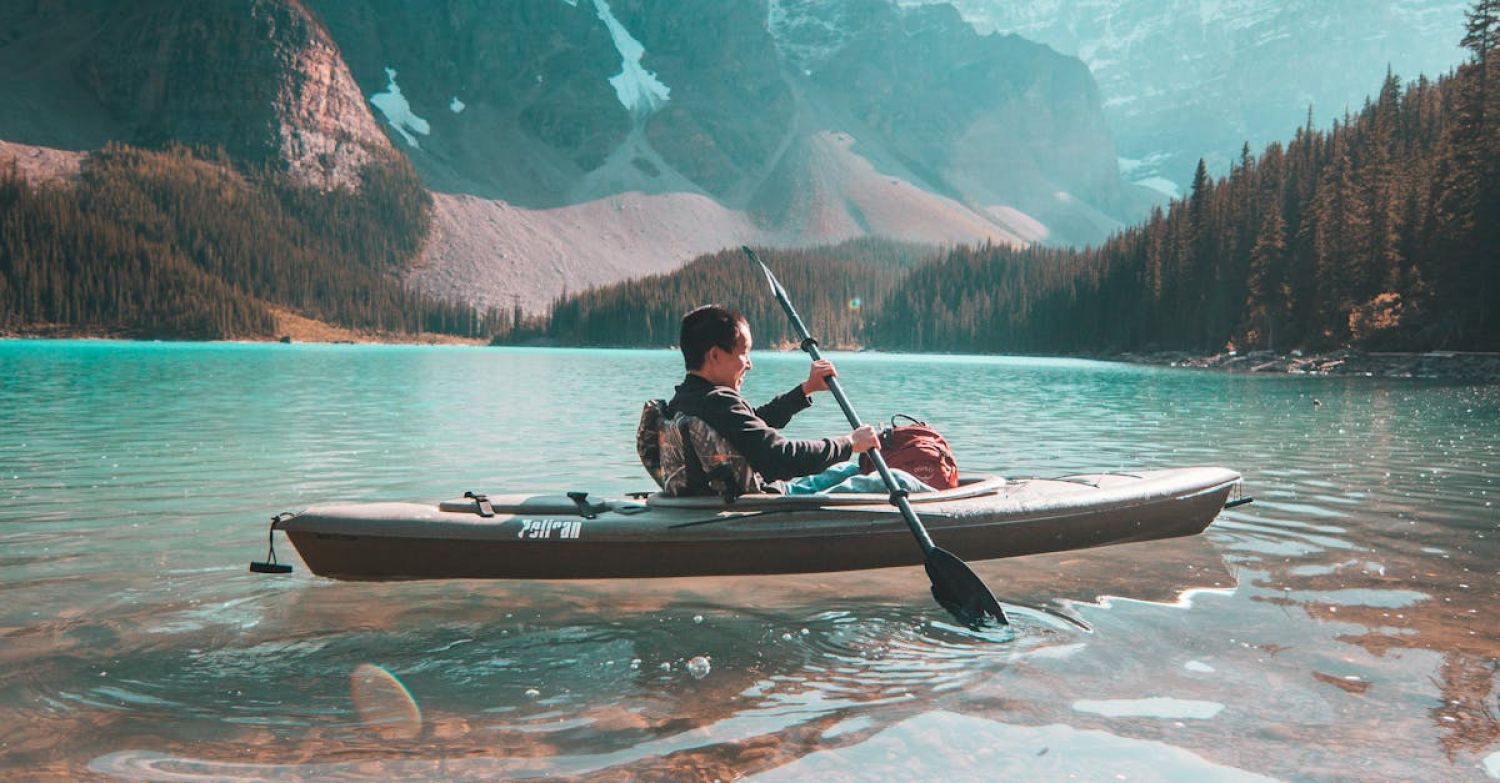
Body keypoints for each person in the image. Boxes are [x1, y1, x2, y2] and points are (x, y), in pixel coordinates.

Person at [663, 304, 932, 496]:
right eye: (744, 353)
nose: (749, 364)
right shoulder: (718, 402)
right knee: (896, 479)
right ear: (715, 356)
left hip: (738, 496)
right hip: (771, 503)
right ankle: (948, 507)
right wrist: (849, 443)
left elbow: (749, 427)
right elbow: (782, 457)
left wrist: (805, 391)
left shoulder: (686, 400)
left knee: (850, 471)